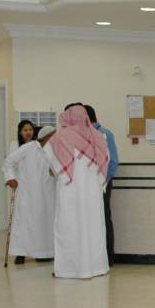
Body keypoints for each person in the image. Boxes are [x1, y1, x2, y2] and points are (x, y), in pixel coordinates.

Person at [44, 105, 110, 279]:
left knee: (70, 228)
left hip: (70, 192)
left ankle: (70, 269)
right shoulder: (98, 137)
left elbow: (50, 160)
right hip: (93, 194)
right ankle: (97, 267)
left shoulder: (59, 137)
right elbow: (106, 161)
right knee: (94, 229)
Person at [2, 125, 57, 264]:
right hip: (27, 193)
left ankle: (43, 253)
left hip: (47, 194)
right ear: (45, 137)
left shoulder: (54, 150)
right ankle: (21, 253)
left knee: (44, 223)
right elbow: (8, 162)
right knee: (25, 223)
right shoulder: (28, 148)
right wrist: (11, 178)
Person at [74, 104, 118, 265]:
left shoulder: (105, 134)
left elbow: (113, 162)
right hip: (87, 185)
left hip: (102, 184)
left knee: (104, 218)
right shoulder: (81, 135)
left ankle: (108, 257)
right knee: (89, 220)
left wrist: (103, 181)